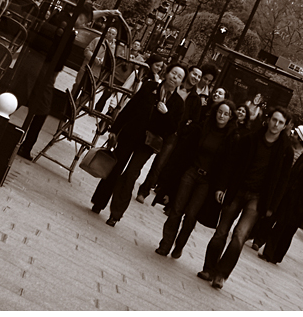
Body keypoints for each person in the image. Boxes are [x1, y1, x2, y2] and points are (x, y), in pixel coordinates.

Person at [197, 107, 294, 291]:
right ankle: (209, 269)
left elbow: (283, 182)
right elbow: (231, 164)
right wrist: (221, 187)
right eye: (274, 120)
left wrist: (272, 206)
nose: (276, 125)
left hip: (257, 198)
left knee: (240, 235)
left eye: (281, 122)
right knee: (221, 231)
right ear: (268, 120)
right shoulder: (250, 139)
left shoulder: (285, 151)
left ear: (285, 126)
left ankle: (221, 274)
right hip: (237, 190)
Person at [17, 5, 118, 160]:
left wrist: (108, 12)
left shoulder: (69, 25)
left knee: (33, 104)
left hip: (47, 69)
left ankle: (24, 143)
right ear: (76, 15)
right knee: (37, 106)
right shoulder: (64, 22)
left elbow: (88, 15)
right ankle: (23, 143)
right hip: (43, 68)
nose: (85, 23)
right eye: (84, 19)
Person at [90, 63, 186, 225]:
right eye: (173, 73)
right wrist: (115, 129)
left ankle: (116, 214)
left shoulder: (177, 103)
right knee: (116, 167)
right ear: (167, 73)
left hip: (148, 144)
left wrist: (166, 114)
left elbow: (173, 129)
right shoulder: (150, 87)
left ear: (180, 82)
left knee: (130, 174)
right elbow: (131, 107)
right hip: (131, 134)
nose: (174, 78)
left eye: (179, 77)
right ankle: (99, 202)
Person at [155, 99, 237, 258]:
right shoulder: (203, 128)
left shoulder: (231, 138)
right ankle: (165, 244)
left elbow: (228, 166)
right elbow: (185, 151)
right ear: (215, 112)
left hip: (207, 181)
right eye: (220, 112)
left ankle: (179, 245)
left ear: (230, 117)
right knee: (177, 209)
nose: (222, 116)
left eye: (226, 114)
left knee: (191, 215)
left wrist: (221, 187)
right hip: (191, 172)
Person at [257, 125, 303, 264]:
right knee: (279, 226)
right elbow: (291, 175)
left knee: (288, 232)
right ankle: (268, 253)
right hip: (290, 199)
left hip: (301, 204)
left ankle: (277, 256)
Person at [136, 64, 203, 203]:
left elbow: (194, 121)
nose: (196, 78)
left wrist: (182, 130)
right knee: (143, 154)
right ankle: (132, 176)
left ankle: (144, 190)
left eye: (199, 76)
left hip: (174, 134)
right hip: (159, 126)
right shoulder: (174, 85)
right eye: (194, 74)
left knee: (160, 164)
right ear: (188, 73)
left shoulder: (196, 98)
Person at [72, 26, 117, 96]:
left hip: (96, 73)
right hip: (85, 68)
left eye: (113, 34)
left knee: (87, 93)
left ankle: (77, 105)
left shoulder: (114, 48)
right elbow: (87, 51)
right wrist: (94, 58)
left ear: (115, 36)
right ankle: (69, 102)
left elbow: (112, 61)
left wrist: (103, 62)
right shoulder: (97, 40)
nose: (110, 35)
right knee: (77, 86)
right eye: (109, 32)